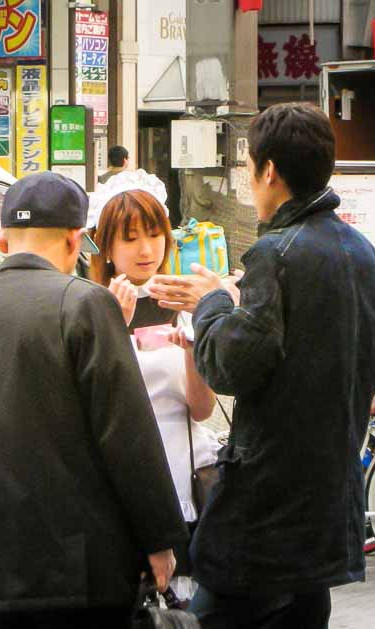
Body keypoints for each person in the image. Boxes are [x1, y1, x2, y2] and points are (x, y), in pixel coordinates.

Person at [147, 103, 375, 629]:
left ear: (268, 171)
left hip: (266, 513)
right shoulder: (363, 252)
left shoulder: (276, 254)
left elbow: (227, 367)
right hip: (329, 501)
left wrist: (212, 300)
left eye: (249, 168)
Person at [0, 172, 188, 629]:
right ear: (74, 240)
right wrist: (160, 539)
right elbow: (127, 435)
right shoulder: (85, 305)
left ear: (4, 241)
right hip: (76, 576)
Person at [89, 185, 219, 602]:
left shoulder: (181, 302)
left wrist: (192, 352)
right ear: (106, 245)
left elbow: (201, 410)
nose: (146, 249)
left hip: (183, 474)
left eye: (155, 233)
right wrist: (113, 325)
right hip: (120, 479)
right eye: (130, 238)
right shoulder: (89, 306)